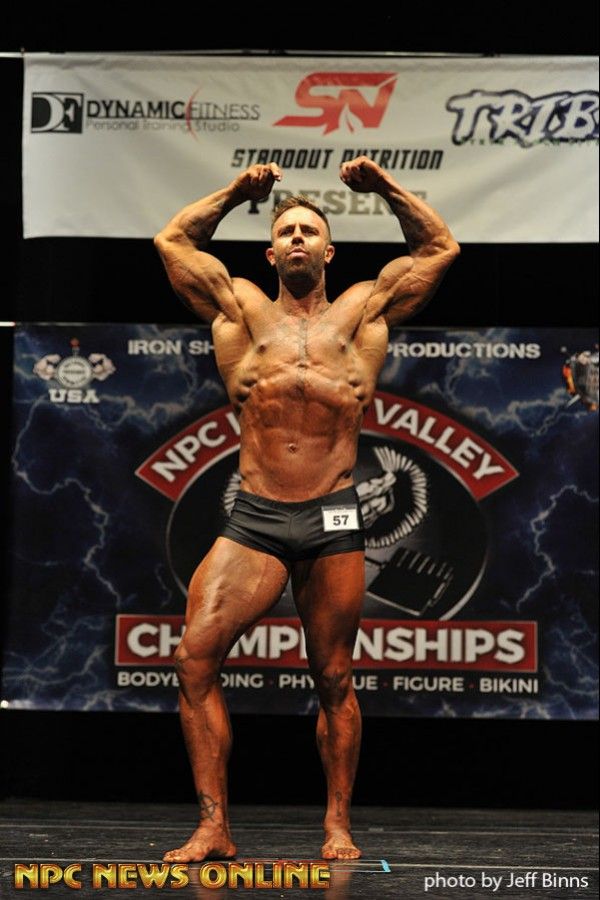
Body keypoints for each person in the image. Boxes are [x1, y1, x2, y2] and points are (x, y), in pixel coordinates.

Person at [153, 156, 459, 862]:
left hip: (332, 516)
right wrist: (236, 192)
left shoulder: (365, 311)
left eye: (308, 231)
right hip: (256, 517)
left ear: (329, 250)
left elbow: (440, 248)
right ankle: (213, 826)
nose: (296, 238)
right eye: (285, 231)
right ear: (270, 253)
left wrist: (385, 189)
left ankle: (337, 824)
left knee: (334, 677)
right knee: (194, 658)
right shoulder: (237, 309)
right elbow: (173, 241)